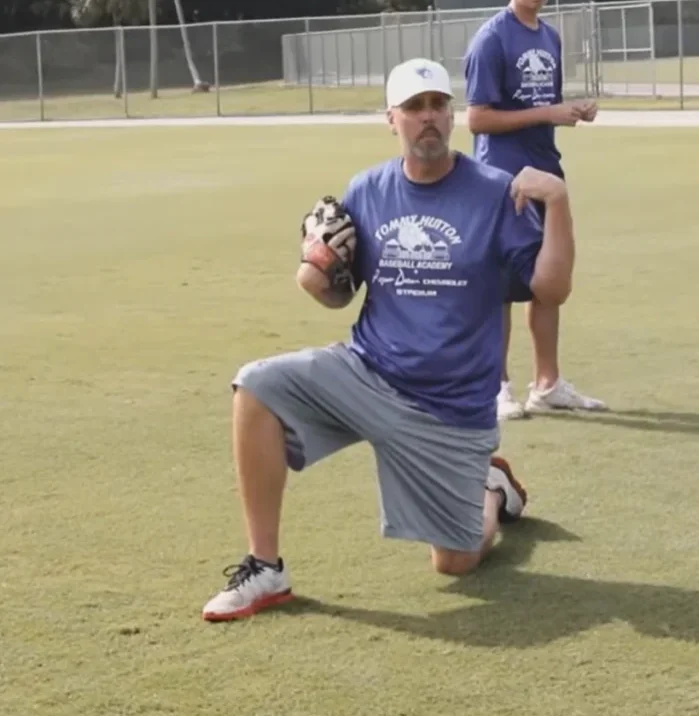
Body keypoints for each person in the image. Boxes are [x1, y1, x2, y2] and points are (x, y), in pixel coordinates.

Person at [201, 58, 576, 622]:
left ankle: (492, 489)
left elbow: (552, 289)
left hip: (448, 409)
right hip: (367, 372)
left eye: (437, 105)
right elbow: (339, 296)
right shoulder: (367, 190)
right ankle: (266, 568)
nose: (428, 117)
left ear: (450, 115)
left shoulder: (496, 192)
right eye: (414, 107)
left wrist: (559, 203)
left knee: (455, 562)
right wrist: (317, 270)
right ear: (391, 120)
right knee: (256, 385)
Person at [463, 0, 607, 420]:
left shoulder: (549, 36)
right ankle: (496, 388)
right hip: (505, 179)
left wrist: (570, 111)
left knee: (549, 277)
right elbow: (477, 118)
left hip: (545, 170)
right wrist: (549, 112)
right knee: (500, 285)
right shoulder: (491, 38)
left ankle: (547, 384)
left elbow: (539, 107)